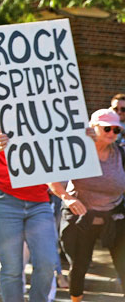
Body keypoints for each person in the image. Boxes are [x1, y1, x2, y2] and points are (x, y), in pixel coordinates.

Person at [0, 107, 58, 302]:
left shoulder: (44, 114)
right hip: (3, 200)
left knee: (47, 263)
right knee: (12, 269)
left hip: (39, 201)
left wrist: (87, 138)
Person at [48, 108, 125, 302]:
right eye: (107, 128)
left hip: (114, 215)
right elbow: (52, 178)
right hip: (81, 217)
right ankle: (76, 299)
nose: (112, 134)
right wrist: (67, 197)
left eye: (117, 130)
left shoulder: (120, 153)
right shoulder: (78, 150)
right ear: (93, 127)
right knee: (80, 265)